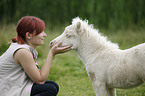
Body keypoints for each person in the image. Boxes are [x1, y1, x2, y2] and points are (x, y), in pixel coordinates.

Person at [0, 16, 72, 96]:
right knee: (50, 89)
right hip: (8, 92)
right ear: (29, 35)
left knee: (53, 85)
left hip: (15, 86)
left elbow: (38, 79)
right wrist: (51, 54)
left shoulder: (20, 46)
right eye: (41, 32)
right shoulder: (23, 52)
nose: (45, 35)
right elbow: (40, 80)